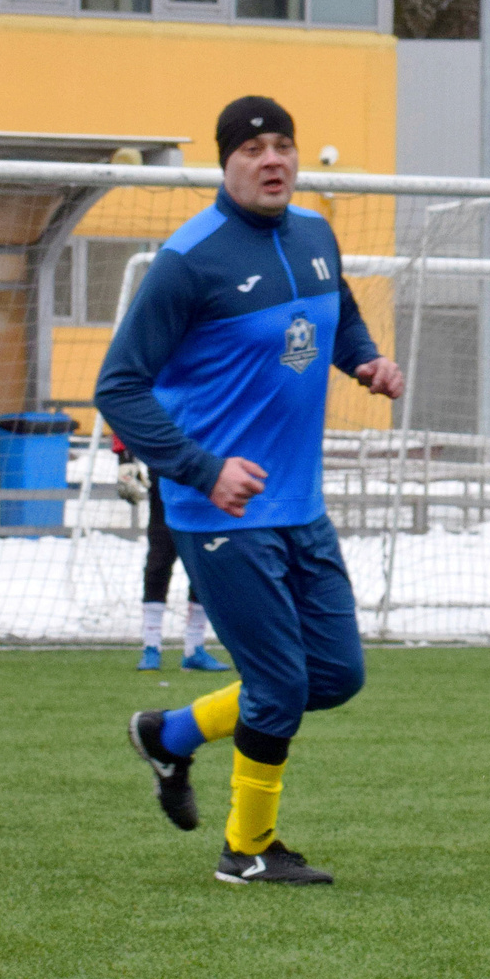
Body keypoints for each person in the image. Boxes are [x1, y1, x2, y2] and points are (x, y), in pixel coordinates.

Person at [100, 96, 404, 882]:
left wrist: (364, 360)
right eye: (253, 148)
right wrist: (205, 468)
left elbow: (338, 312)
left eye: (283, 145)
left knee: (334, 675)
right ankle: (248, 848)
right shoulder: (188, 260)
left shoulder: (315, 233)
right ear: (226, 161)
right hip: (218, 510)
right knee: (277, 683)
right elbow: (118, 387)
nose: (273, 159)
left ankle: (169, 735)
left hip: (300, 503)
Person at [116, 437, 232, 671]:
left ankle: (194, 648)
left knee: (204, 559)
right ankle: (151, 646)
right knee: (160, 557)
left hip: (209, 471)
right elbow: (132, 415)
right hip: (167, 470)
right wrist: (125, 458)